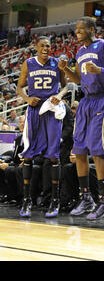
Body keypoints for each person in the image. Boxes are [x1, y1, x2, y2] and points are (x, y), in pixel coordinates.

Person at [59, 16, 104, 220]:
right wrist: (66, 70)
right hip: (86, 101)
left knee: (97, 150)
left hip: (103, 99)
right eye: (76, 30)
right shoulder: (80, 52)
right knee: (79, 149)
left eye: (80, 29)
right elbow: (80, 80)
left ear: (91, 29)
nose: (77, 33)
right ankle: (86, 197)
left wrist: (101, 70)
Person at [16, 36, 69, 218]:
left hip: (52, 110)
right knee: (29, 154)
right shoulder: (28, 63)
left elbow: (66, 86)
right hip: (34, 111)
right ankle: (26, 200)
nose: (46, 48)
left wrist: (60, 96)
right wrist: (27, 99)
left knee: (54, 156)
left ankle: (55, 201)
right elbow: (19, 88)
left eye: (48, 46)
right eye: (42, 46)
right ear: (36, 47)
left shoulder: (56, 63)